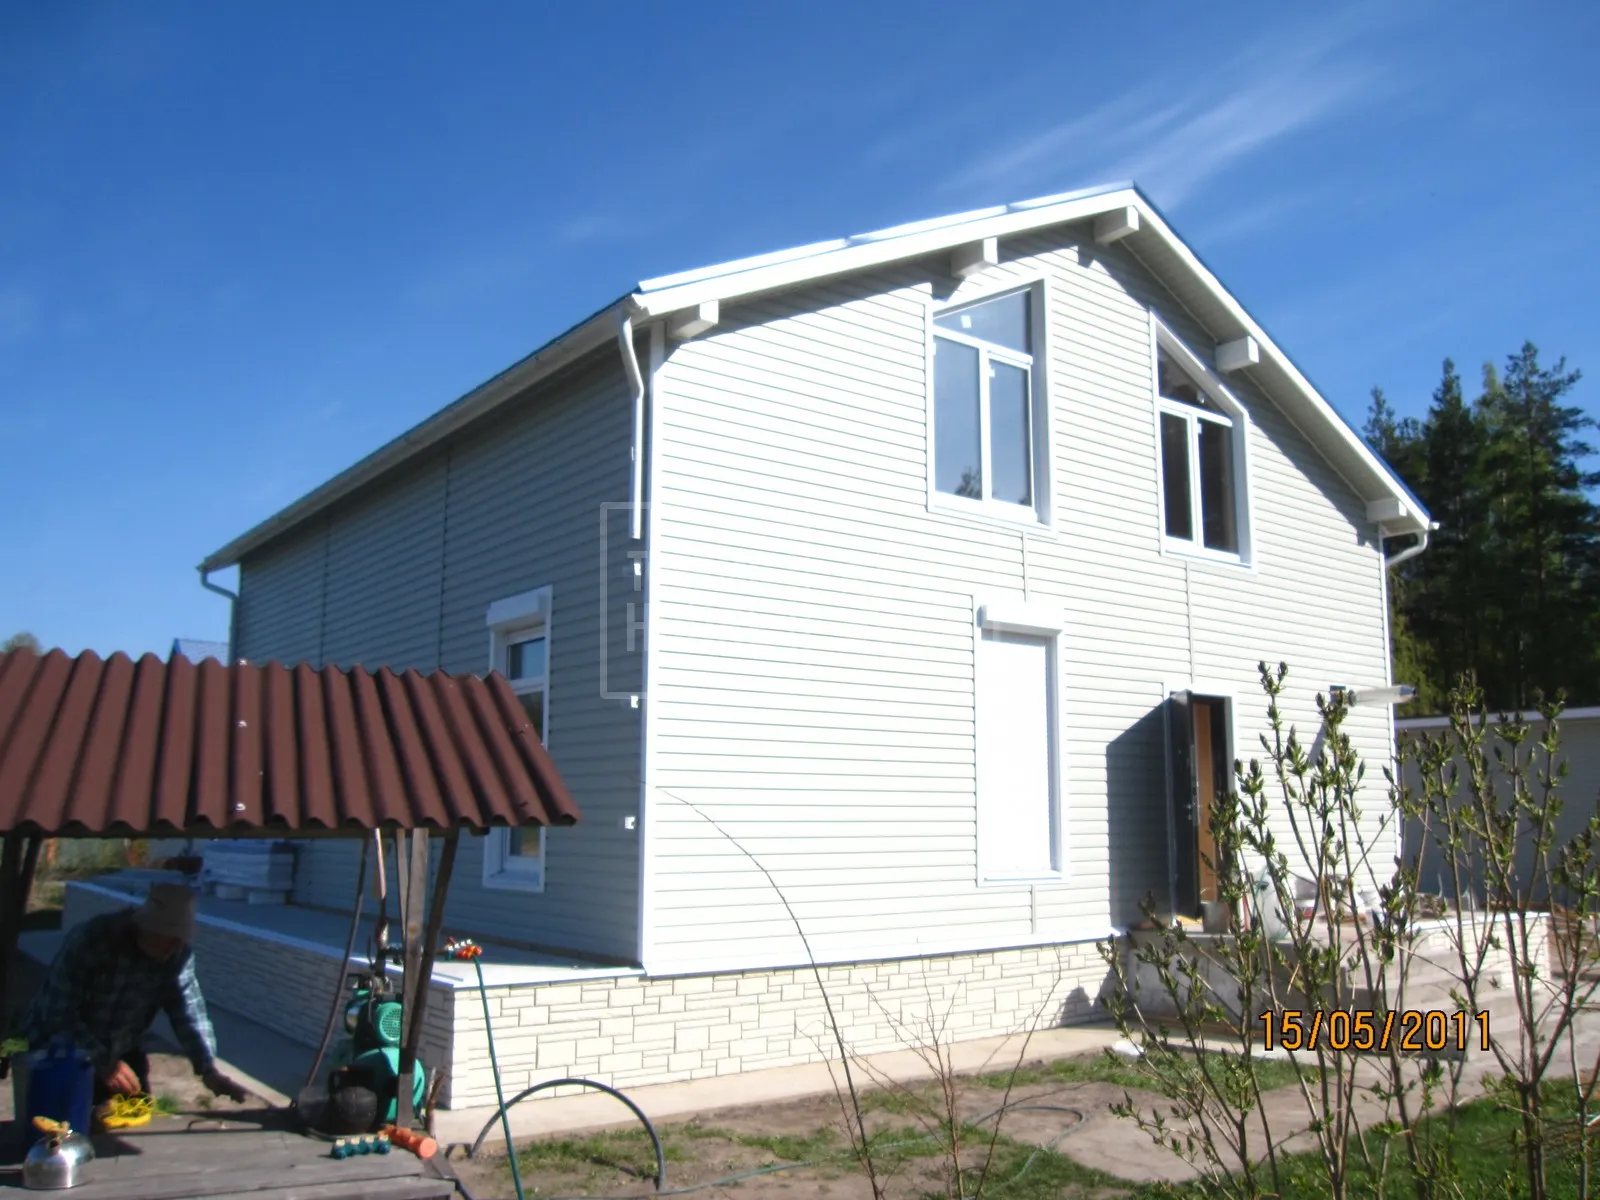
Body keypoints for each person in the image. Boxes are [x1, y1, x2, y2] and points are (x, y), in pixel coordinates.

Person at [21, 883, 250, 1104]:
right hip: (61, 1050)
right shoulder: (92, 940)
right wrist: (101, 1060)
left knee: (131, 1112)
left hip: (119, 1047)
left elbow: (189, 1014)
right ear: (147, 928)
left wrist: (208, 1069)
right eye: (171, 937)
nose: (177, 946)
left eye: (182, 939)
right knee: (63, 1119)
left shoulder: (176, 957)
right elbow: (57, 1013)